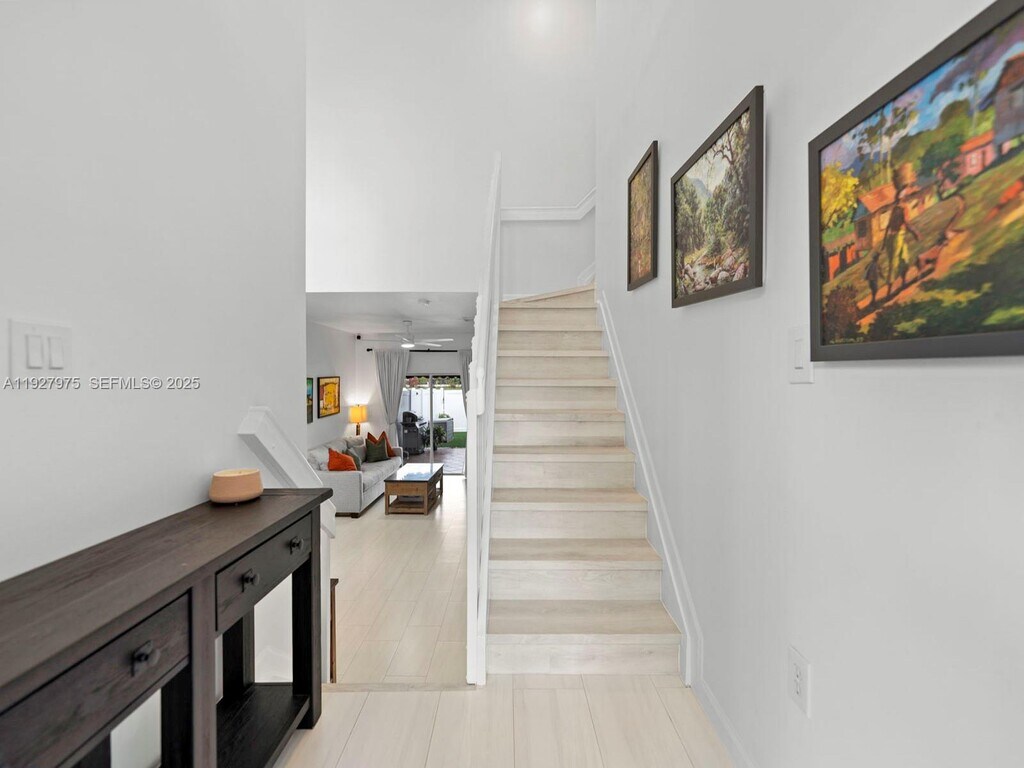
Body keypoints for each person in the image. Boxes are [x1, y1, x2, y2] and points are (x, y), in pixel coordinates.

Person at [883, 184, 921, 296]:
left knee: (904, 258)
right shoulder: (902, 208)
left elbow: (888, 226)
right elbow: (906, 223)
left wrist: (884, 241)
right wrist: (915, 233)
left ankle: (903, 282)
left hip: (894, 237)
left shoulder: (895, 208)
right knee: (895, 262)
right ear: (903, 197)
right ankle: (889, 290)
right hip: (897, 237)